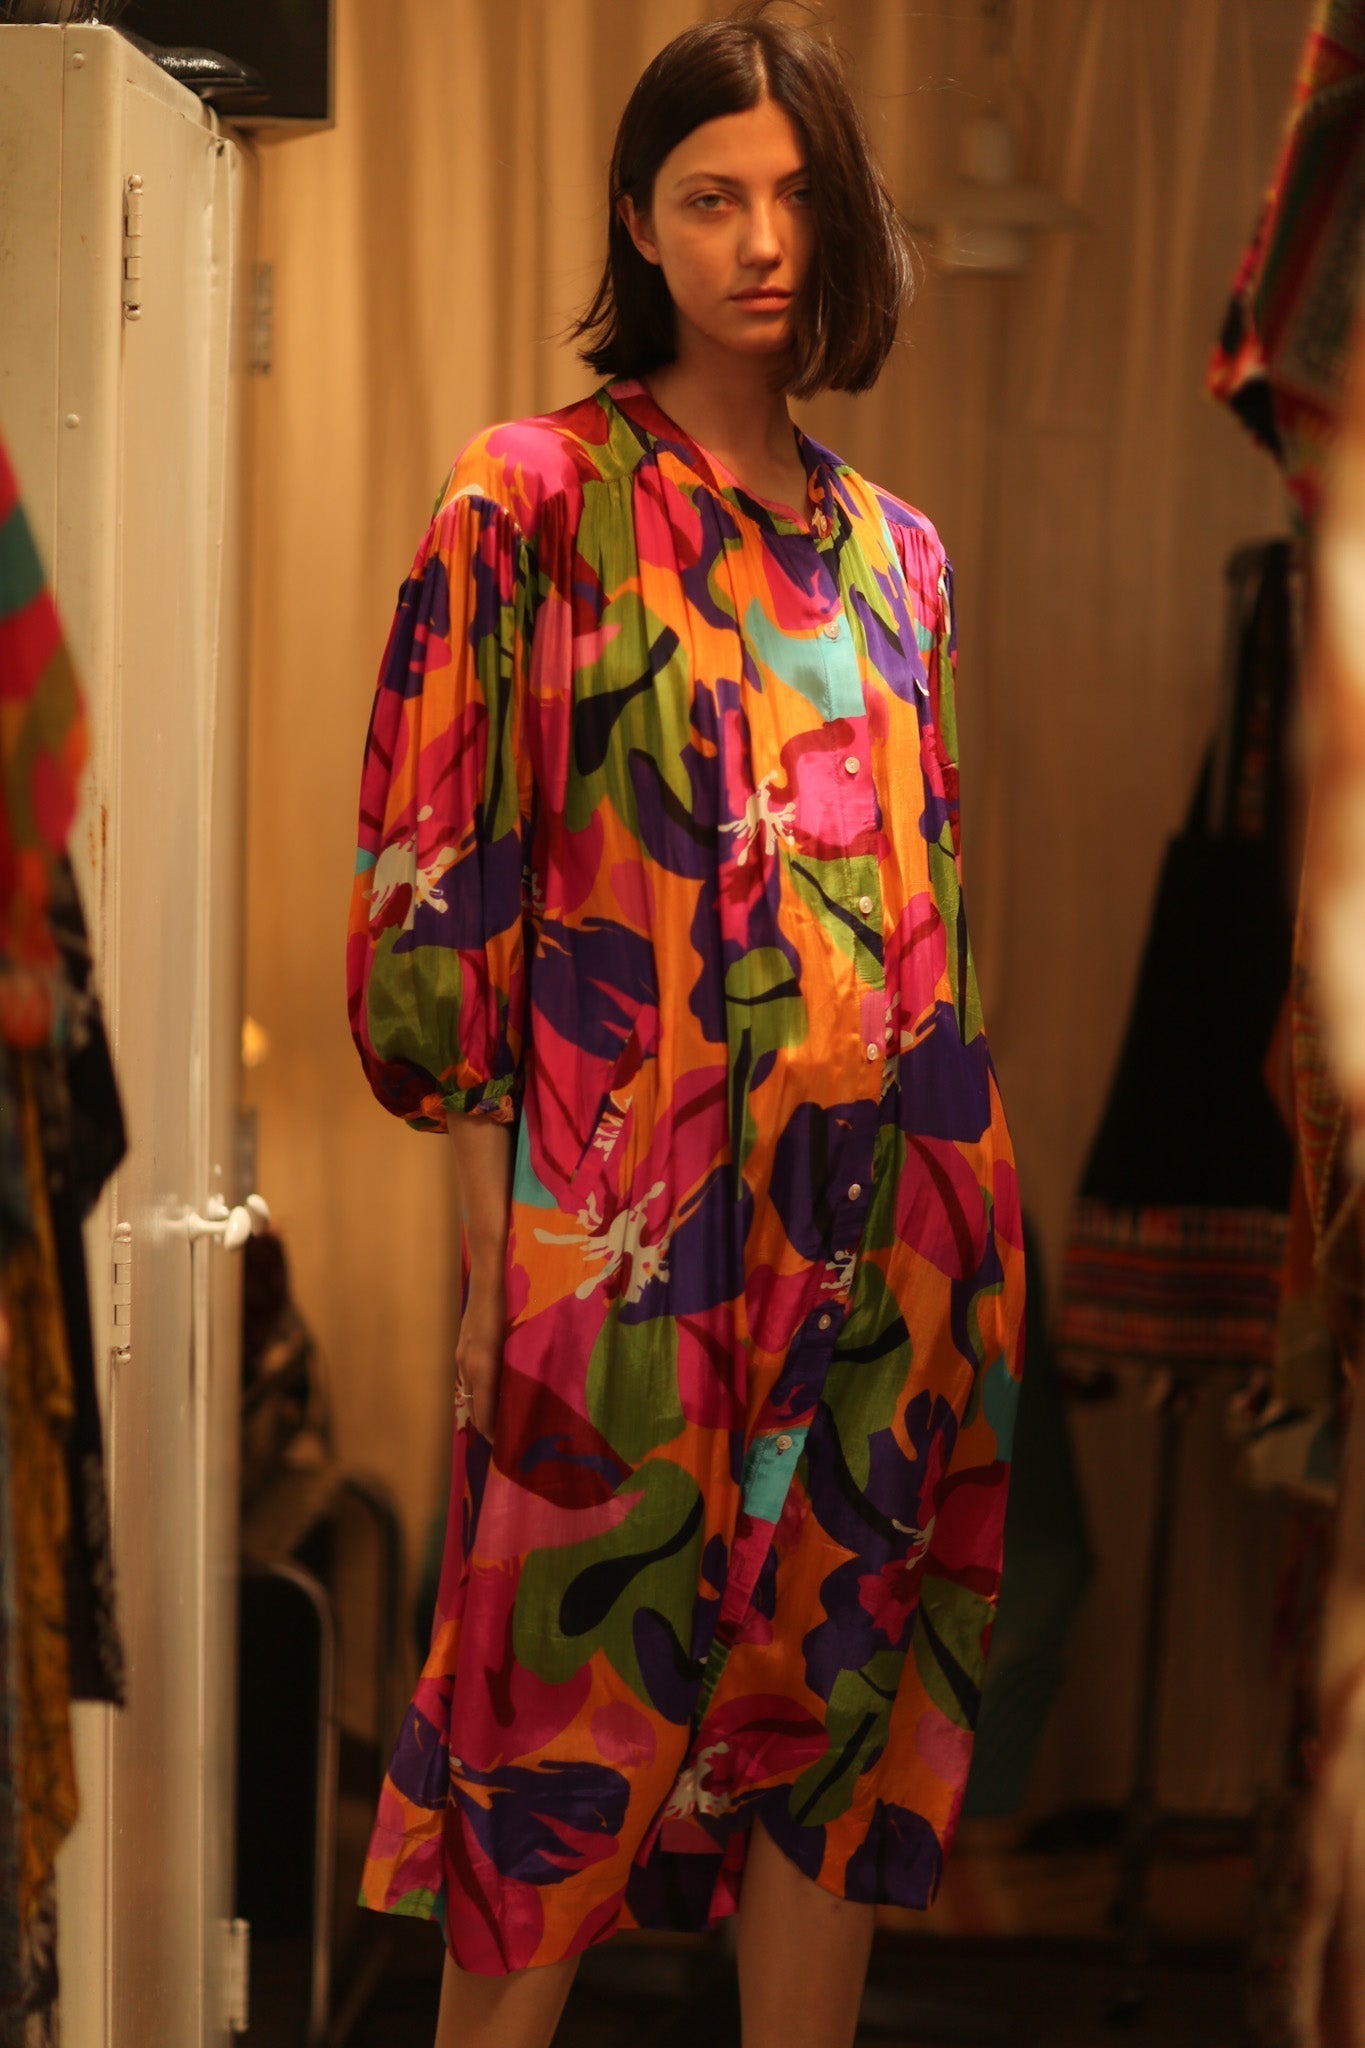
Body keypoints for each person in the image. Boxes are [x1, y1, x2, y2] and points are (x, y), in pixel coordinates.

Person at [346, 8, 1025, 2046]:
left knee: (832, 1756)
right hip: (627, 1259)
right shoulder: (530, 500)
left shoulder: (902, 559)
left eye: (796, 196)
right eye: (710, 197)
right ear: (638, 224)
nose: (760, 240)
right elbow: (436, 884)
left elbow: (929, 923)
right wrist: (490, 1248)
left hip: (897, 1258)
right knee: (548, 1769)